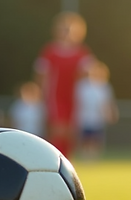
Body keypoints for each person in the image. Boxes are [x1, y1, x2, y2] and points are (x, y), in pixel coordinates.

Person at [34, 12, 96, 157]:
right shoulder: (50, 51)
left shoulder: (82, 53)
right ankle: (54, 158)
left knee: (71, 131)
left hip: (75, 97)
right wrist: (41, 95)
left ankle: (67, 161)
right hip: (55, 96)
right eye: (64, 28)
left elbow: (90, 75)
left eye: (70, 29)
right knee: (58, 129)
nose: (67, 32)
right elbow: (41, 75)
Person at [76, 61, 118, 160]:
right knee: (85, 139)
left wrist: (111, 113)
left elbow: (108, 102)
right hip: (84, 118)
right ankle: (85, 158)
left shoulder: (105, 87)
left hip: (98, 119)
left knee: (96, 140)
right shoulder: (83, 86)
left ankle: (93, 159)